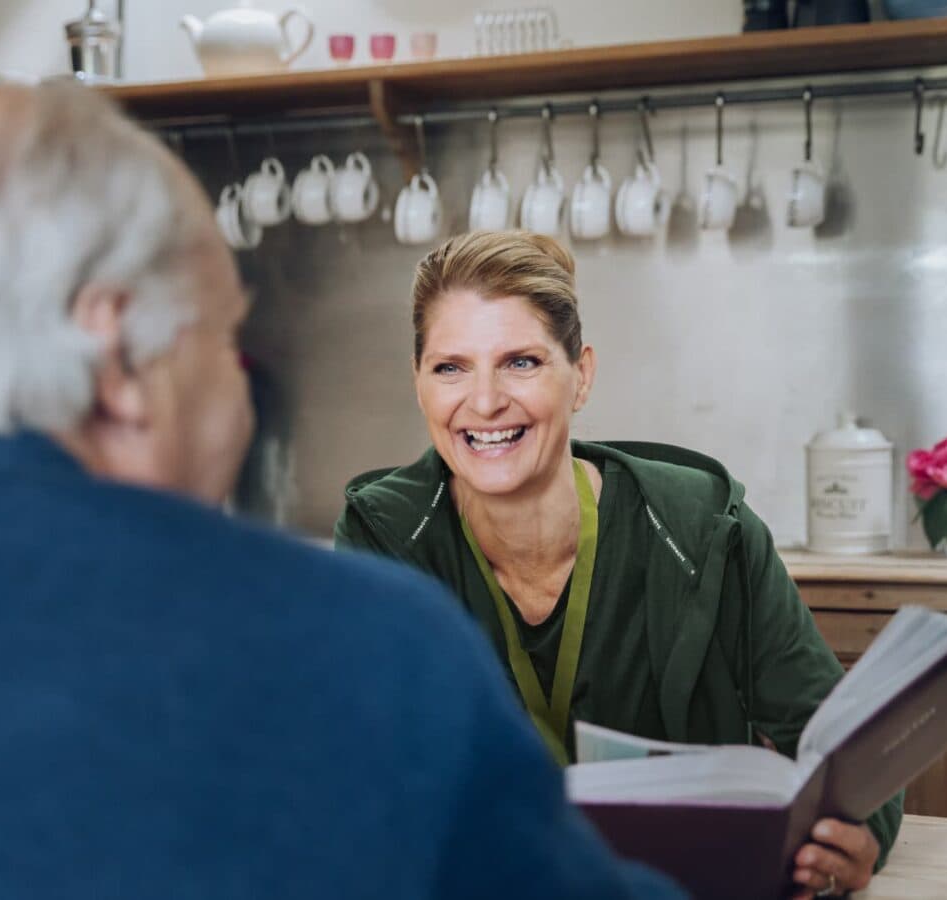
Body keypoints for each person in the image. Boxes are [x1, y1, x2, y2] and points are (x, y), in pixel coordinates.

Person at [0, 83, 687, 900]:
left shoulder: (691, 519)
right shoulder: (376, 647)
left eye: (522, 362)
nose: (241, 388)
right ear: (117, 359)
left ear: (582, 376)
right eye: (225, 336)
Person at [335, 229, 904, 899]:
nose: (484, 401)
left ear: (581, 376)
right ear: (420, 383)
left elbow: (855, 765)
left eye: (520, 362)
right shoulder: (385, 539)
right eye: (451, 367)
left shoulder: (702, 530)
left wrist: (855, 839)